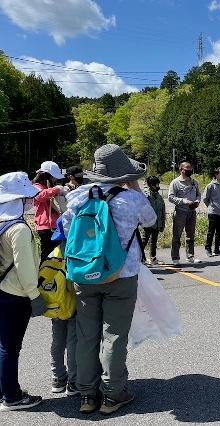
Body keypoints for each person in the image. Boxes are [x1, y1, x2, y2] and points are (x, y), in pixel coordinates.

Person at [62, 144, 156, 415]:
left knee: (87, 334)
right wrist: (134, 185)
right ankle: (113, 395)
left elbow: (68, 231)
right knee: (114, 335)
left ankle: (87, 395)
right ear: (123, 173)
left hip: (84, 275)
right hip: (121, 275)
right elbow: (151, 221)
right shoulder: (132, 199)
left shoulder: (79, 197)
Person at [0, 171, 47, 411]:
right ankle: (12, 397)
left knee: (2, 345)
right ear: (16, 200)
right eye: (26, 198)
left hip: (0, 291)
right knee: (10, 347)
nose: (30, 201)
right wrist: (35, 296)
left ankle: (3, 391)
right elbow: (25, 268)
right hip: (15, 295)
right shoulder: (18, 228)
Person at [33, 161, 68, 262]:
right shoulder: (37, 187)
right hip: (45, 226)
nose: (54, 179)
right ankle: (43, 275)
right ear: (45, 176)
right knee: (47, 255)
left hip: (53, 225)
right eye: (53, 177)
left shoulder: (47, 187)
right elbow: (39, 196)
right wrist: (56, 189)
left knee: (56, 254)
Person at [168, 161, 201, 265]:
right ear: (181, 170)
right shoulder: (175, 182)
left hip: (192, 212)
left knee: (191, 236)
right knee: (177, 235)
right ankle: (175, 258)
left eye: (190, 168)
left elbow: (198, 195)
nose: (189, 170)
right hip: (180, 212)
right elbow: (170, 197)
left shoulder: (194, 182)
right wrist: (183, 201)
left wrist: (197, 201)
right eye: (187, 168)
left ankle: (190, 256)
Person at [203, 168, 220, 257]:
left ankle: (216, 249)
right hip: (213, 212)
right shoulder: (210, 186)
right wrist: (211, 207)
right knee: (211, 231)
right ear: (216, 175)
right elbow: (205, 199)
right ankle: (208, 248)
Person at [142, 176, 166, 265]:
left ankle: (153, 258)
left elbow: (162, 210)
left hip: (156, 223)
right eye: (156, 184)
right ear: (151, 185)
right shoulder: (145, 195)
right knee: (144, 240)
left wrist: (162, 223)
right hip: (147, 223)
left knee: (154, 241)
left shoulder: (158, 196)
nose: (158, 186)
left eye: (158, 184)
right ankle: (140, 258)